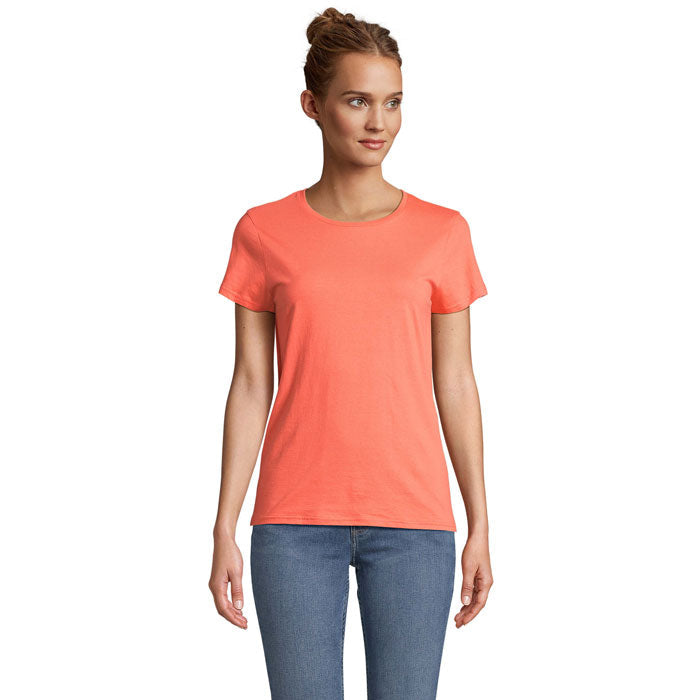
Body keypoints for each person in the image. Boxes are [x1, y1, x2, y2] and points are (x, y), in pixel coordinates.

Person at [209, 7, 494, 699]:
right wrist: (223, 524)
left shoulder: (442, 232)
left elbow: (456, 381)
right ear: (313, 105)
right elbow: (251, 384)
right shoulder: (263, 231)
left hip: (414, 520)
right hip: (293, 523)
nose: (379, 122)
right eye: (358, 101)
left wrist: (480, 520)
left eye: (393, 102)